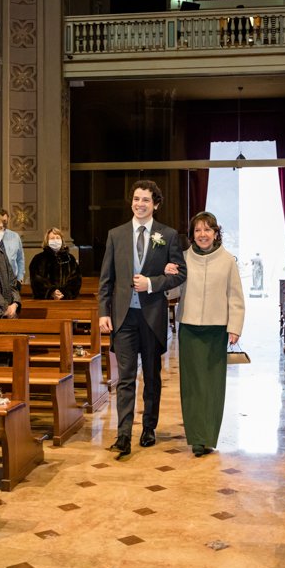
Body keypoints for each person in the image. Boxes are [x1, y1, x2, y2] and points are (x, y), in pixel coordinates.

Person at [99, 180, 186, 459]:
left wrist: (151, 282)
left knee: (151, 376)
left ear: (155, 204)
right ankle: (123, 435)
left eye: (146, 200)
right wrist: (103, 312)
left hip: (152, 315)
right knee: (125, 377)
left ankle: (148, 428)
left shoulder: (168, 235)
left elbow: (179, 274)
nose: (140, 204)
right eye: (136, 199)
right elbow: (106, 279)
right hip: (124, 317)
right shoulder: (116, 234)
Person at [170, 212, 244, 457]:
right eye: (198, 230)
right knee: (192, 384)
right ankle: (196, 438)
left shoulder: (227, 261)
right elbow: (170, 295)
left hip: (216, 330)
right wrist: (166, 276)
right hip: (190, 328)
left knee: (212, 384)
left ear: (215, 233)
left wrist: (235, 326)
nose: (202, 234)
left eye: (207, 230)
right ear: (192, 235)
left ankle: (208, 435)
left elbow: (235, 297)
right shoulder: (182, 260)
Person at [29, 227, 82, 300]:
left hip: (67, 301)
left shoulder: (70, 258)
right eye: (52, 238)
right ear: (47, 241)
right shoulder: (38, 259)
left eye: (57, 238)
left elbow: (76, 279)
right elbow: (36, 280)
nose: (55, 240)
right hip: (44, 301)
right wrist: (51, 292)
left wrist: (64, 293)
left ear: (62, 240)